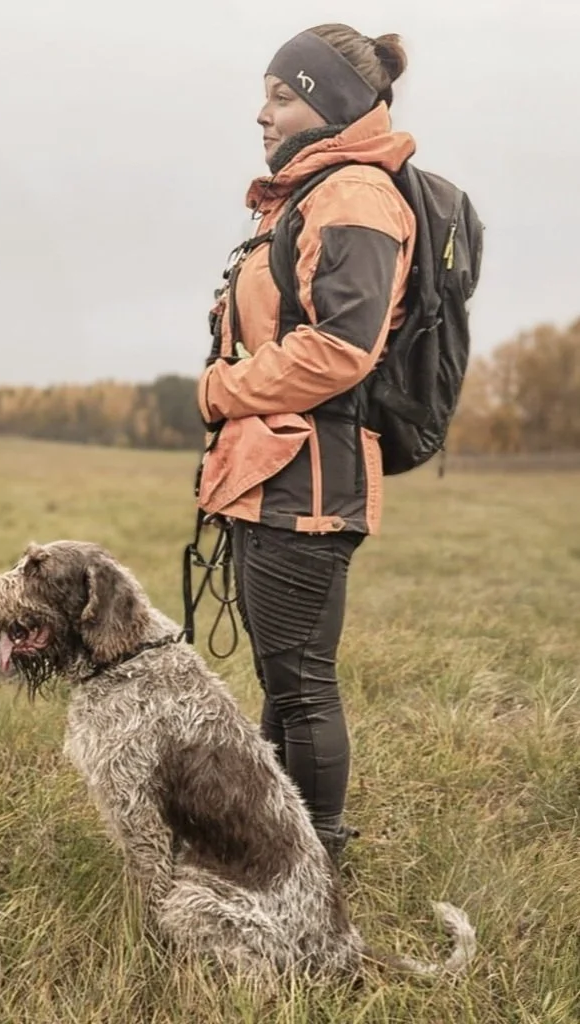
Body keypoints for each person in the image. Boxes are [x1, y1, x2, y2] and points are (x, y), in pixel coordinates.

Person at [196, 24, 417, 865]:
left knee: (301, 686)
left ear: (327, 105)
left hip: (310, 482)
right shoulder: (306, 194)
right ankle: (276, 852)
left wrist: (222, 389)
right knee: (285, 684)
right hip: (275, 470)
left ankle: (314, 869)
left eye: (283, 96)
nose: (262, 113)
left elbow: (341, 347)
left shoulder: (353, 197)